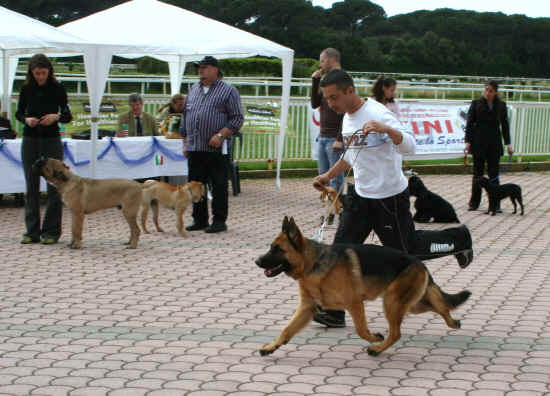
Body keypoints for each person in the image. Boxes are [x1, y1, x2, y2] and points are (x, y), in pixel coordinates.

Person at [312, 70, 473, 328]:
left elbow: (410, 146)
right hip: (361, 198)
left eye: (334, 98)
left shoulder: (378, 114)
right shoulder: (348, 118)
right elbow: (351, 156)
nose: (330, 104)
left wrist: (386, 129)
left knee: (408, 252)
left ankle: (459, 239)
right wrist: (328, 176)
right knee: (340, 253)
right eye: (327, 99)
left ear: (350, 91)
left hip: (389, 199)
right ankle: (334, 312)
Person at [179, 56, 244, 233]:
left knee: (219, 184)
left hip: (216, 147)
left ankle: (219, 221)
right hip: (194, 146)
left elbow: (237, 118)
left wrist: (221, 134)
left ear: (215, 69)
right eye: (199, 68)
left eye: (205, 68)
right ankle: (199, 219)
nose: (201, 71)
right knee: (195, 184)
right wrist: (184, 141)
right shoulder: (193, 89)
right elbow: (185, 116)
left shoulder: (229, 91)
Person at [15, 53, 72, 244]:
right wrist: (26, 119)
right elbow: (18, 113)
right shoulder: (26, 89)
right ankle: (32, 231)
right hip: (31, 139)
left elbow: (67, 115)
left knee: (55, 185)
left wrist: (55, 117)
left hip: (51, 139)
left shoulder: (57, 88)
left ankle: (51, 231)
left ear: (49, 72)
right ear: (31, 72)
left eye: (44, 73)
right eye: (37, 73)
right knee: (31, 185)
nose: (40, 76)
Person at [465, 81, 513, 211]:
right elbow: (469, 124)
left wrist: (508, 144)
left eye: (490, 90)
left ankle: (495, 204)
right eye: (486, 90)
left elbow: (505, 126)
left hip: (494, 144)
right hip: (478, 142)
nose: (487, 93)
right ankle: (474, 202)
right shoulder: (476, 104)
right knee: (477, 174)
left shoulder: (501, 106)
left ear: (496, 92)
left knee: (494, 174)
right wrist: (468, 142)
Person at [311, 48, 344, 225]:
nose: (321, 64)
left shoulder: (341, 80)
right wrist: (315, 81)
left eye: (323, 61)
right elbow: (315, 103)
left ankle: (339, 212)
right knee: (323, 178)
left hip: (334, 137)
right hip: (323, 135)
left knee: (336, 178)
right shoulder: (325, 80)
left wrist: (340, 138)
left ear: (331, 60)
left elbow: (346, 113)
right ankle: (330, 211)